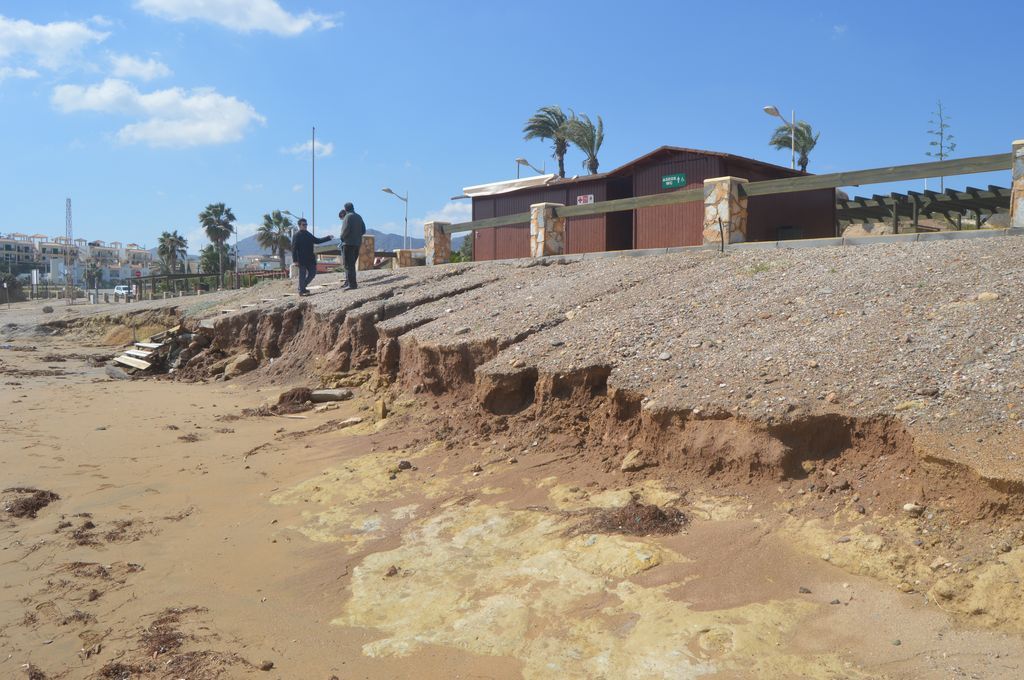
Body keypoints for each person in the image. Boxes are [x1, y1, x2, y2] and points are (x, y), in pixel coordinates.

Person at [290, 218, 333, 296]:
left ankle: (302, 287)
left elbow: (317, 240)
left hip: (310, 259)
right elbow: (294, 249)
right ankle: (302, 290)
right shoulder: (296, 235)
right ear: (299, 225)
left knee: (312, 273)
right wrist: (295, 260)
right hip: (301, 259)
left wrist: (328, 238)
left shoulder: (308, 234)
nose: (305, 226)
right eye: (303, 225)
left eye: (306, 224)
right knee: (302, 275)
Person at [339, 202, 366, 290]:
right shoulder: (359, 216)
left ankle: (352, 285)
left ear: (346, 209)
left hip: (348, 244)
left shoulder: (348, 216)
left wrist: (342, 238)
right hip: (357, 244)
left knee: (348, 265)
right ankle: (351, 284)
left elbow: (345, 230)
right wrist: (357, 236)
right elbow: (363, 230)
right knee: (352, 264)